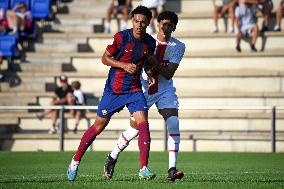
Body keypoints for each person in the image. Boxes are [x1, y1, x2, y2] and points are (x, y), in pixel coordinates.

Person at [67, 5, 157, 181]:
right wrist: (123, 65)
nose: (139, 24)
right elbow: (104, 58)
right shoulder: (121, 37)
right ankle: (75, 161)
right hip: (113, 91)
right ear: (132, 20)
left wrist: (151, 74)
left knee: (143, 123)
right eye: (136, 20)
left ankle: (143, 168)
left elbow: (146, 62)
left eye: (142, 22)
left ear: (147, 24)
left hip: (134, 90)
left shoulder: (149, 43)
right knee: (98, 126)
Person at [103, 11, 186, 182]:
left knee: (173, 122)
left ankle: (172, 169)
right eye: (163, 24)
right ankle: (112, 156)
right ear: (158, 24)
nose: (166, 27)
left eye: (170, 25)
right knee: (134, 129)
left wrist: (153, 62)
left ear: (174, 27)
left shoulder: (178, 46)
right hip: (143, 88)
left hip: (164, 89)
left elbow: (169, 74)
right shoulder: (147, 41)